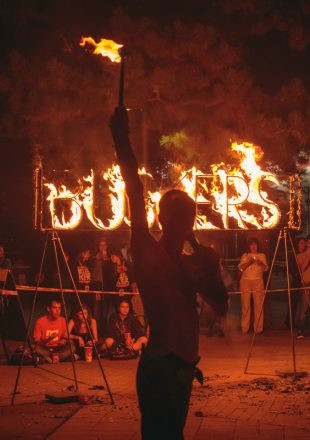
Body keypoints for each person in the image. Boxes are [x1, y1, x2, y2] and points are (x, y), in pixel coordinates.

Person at [110, 106, 228, 439]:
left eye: (188, 216)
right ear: (162, 219)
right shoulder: (146, 250)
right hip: (160, 364)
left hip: (183, 367)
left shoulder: (199, 260)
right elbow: (133, 187)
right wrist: (121, 138)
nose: (182, 223)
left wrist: (208, 266)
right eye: (177, 216)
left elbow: (221, 306)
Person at [238, 238, 268, 334]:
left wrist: (258, 261)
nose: (253, 246)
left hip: (258, 281)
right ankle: (244, 327)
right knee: (245, 305)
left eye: (255, 244)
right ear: (249, 246)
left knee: (258, 305)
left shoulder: (262, 255)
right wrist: (249, 261)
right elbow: (241, 268)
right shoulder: (245, 255)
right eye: (251, 244)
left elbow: (265, 269)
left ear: (258, 245)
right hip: (245, 282)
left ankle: (258, 328)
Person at [33, 299, 73, 364]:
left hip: (58, 349)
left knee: (72, 347)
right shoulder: (40, 321)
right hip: (45, 348)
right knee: (35, 348)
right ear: (48, 309)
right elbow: (37, 343)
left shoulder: (62, 320)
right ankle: (59, 358)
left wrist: (64, 341)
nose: (57, 311)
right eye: (55, 308)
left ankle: (49, 359)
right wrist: (49, 339)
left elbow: (64, 337)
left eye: (59, 308)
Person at [285, 237, 306, 329]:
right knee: (293, 302)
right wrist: (296, 273)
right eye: (301, 242)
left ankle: (302, 322)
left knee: (304, 303)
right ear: (297, 244)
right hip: (296, 280)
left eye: (304, 243)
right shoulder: (293, 254)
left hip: (305, 279)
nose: (303, 244)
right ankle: (289, 322)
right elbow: (291, 267)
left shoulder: (306, 254)